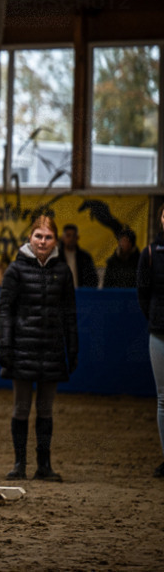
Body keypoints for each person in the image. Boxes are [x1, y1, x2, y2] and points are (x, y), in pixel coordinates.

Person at [0, 215, 79, 481]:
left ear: (55, 240)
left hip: (52, 349)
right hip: (22, 349)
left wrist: (72, 347)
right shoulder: (15, 270)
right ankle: (19, 464)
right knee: (21, 408)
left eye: (48, 237)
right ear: (30, 238)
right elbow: (5, 311)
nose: (43, 242)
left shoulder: (63, 271)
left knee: (46, 409)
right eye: (38, 236)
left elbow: (69, 313)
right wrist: (6, 346)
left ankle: (44, 465)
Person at [136, 202, 164, 478]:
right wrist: (156, 318)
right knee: (163, 399)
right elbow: (143, 293)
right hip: (159, 333)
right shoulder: (150, 254)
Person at [60, 223, 98, 288]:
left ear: (77, 238)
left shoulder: (85, 257)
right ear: (63, 238)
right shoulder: (56, 257)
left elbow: (93, 279)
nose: (71, 239)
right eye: (68, 236)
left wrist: (85, 292)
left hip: (81, 295)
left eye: (74, 236)